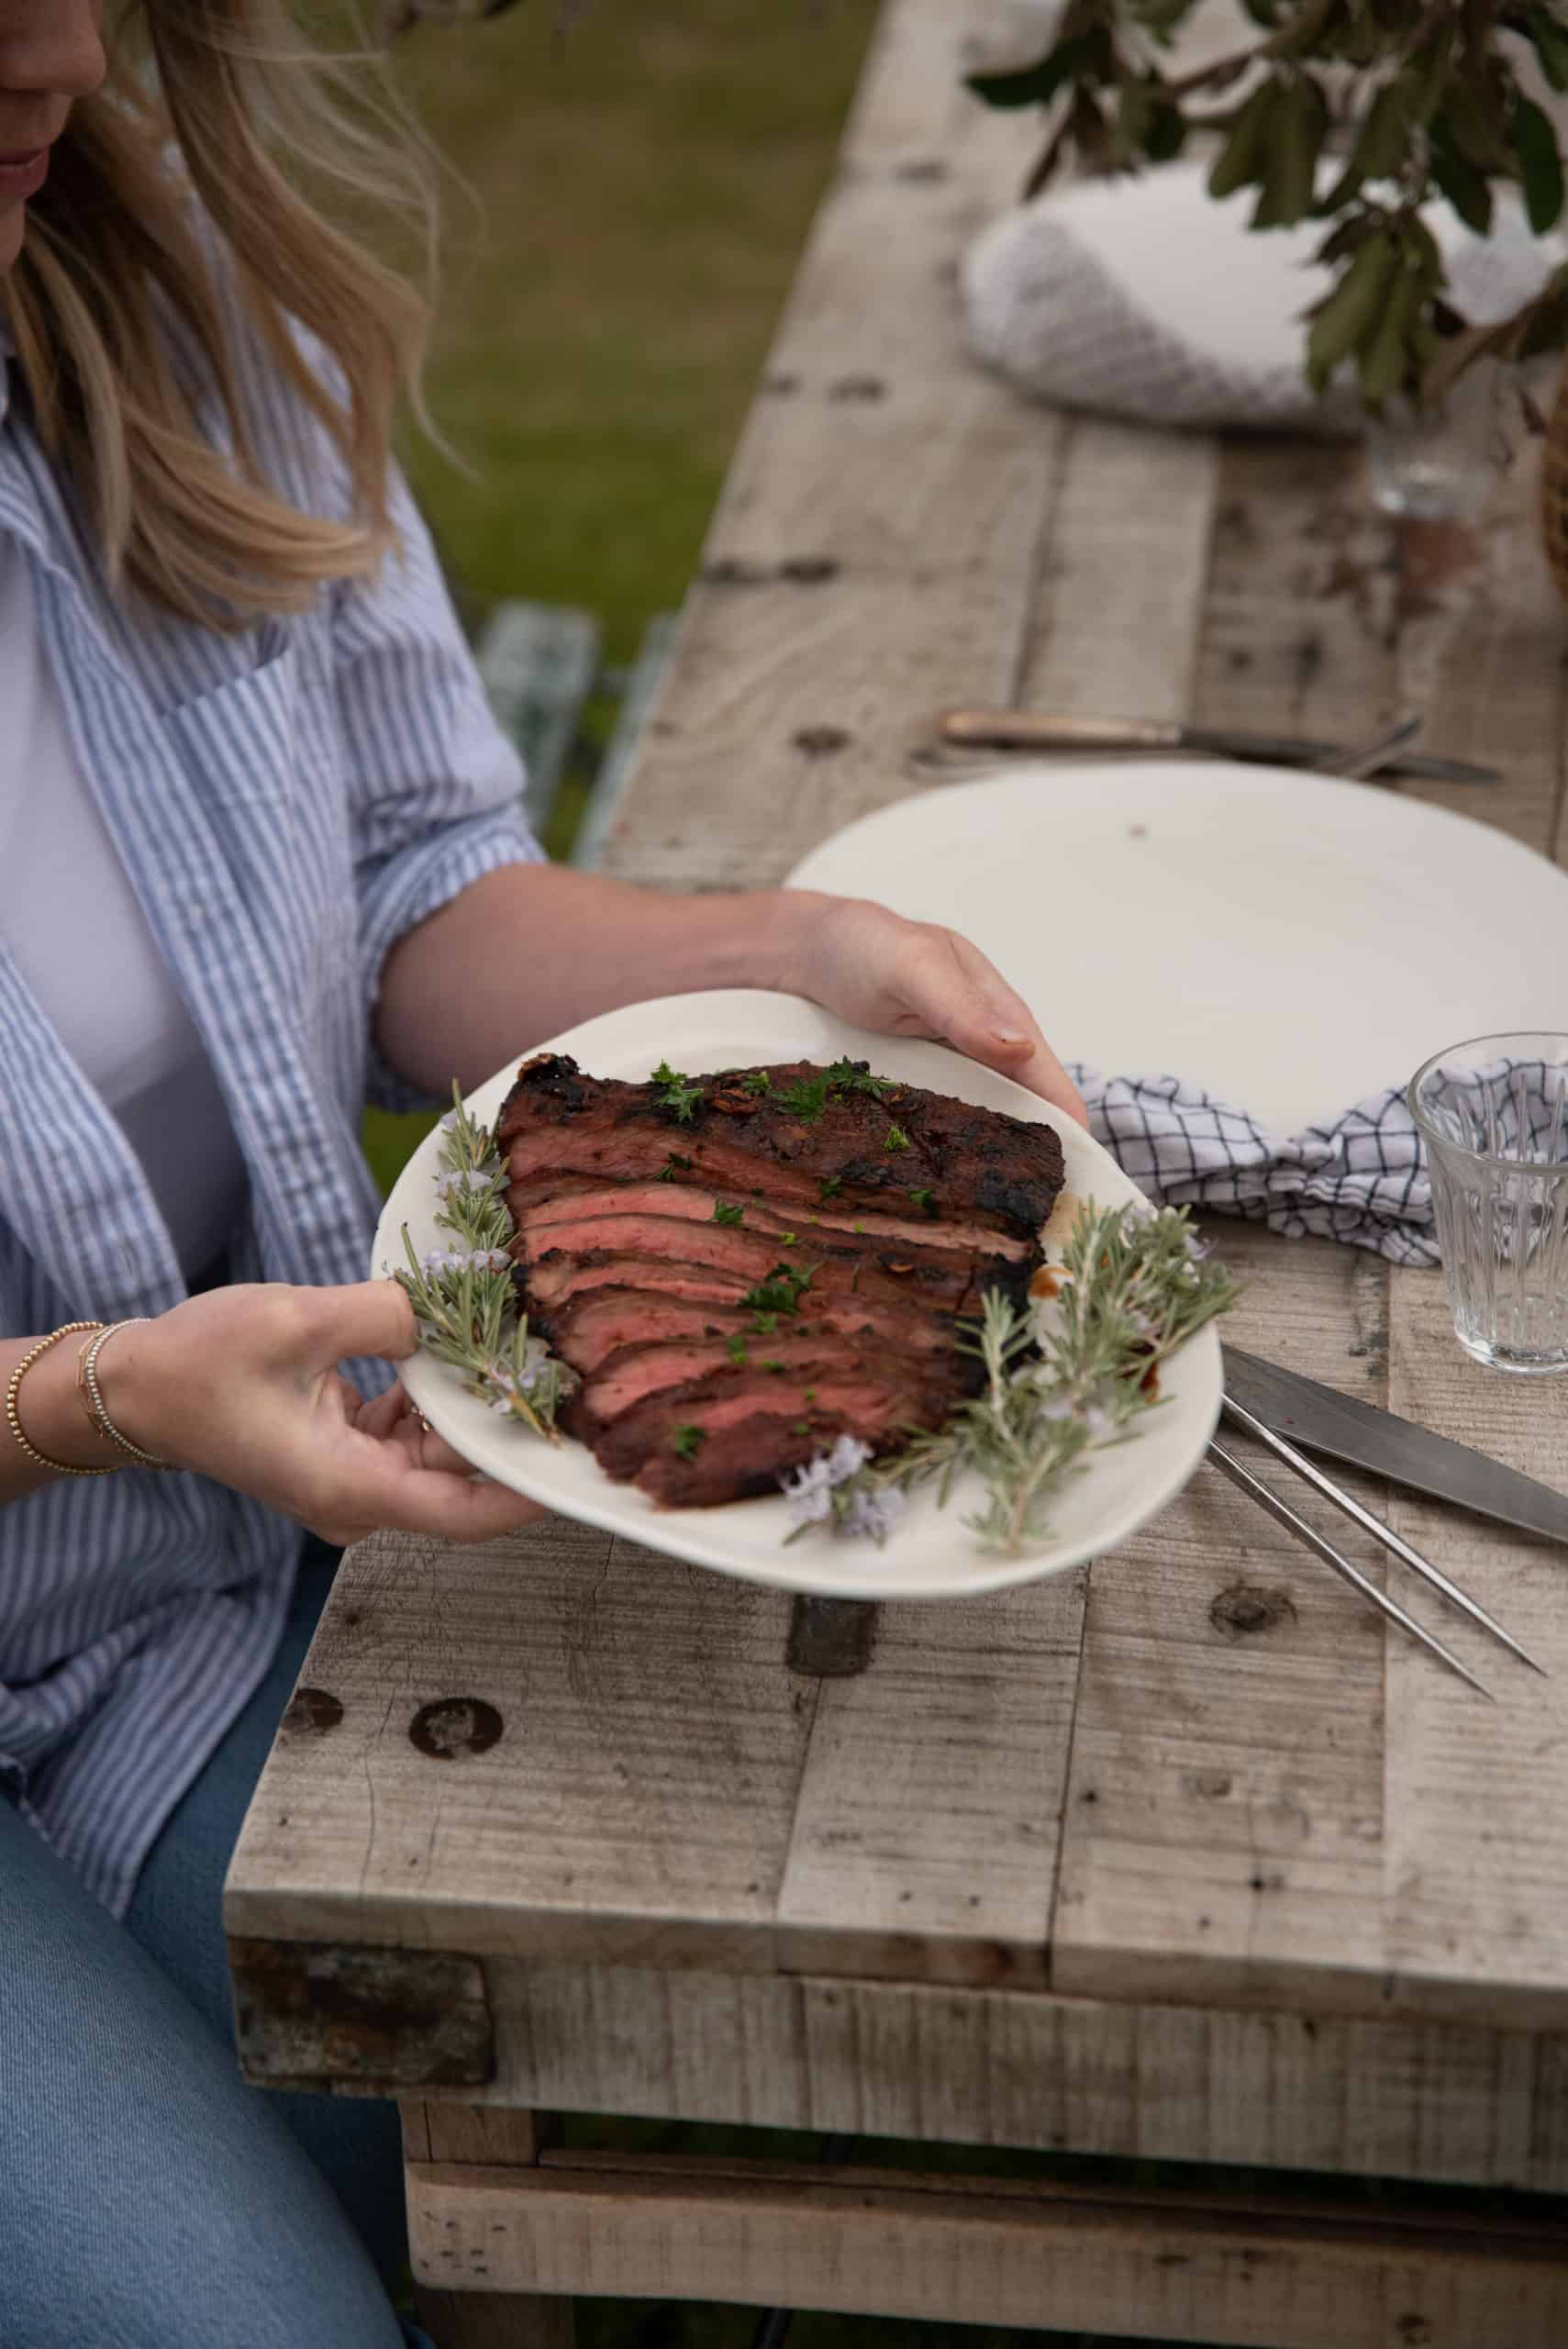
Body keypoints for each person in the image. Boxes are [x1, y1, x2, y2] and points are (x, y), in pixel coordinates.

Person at [0, 4, 1084, 2343]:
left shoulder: (173, 312)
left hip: (230, 1585)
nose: (67, 54)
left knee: (826, 2082)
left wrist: (789, 947)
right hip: (133, 1524)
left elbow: (414, 899)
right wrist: (83, 1399)